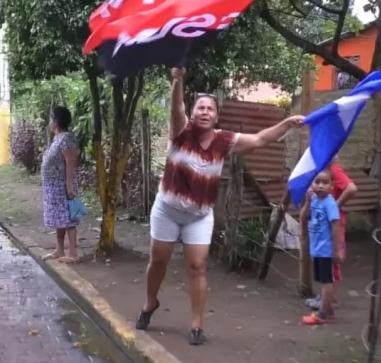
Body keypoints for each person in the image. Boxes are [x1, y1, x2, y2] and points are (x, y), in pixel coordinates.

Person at [135, 67, 303, 345]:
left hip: (199, 215)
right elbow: (176, 108)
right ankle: (150, 303)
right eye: (199, 107)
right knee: (159, 261)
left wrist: (286, 123)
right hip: (167, 209)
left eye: (210, 109)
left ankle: (197, 324)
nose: (204, 112)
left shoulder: (224, 140)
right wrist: (177, 81)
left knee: (198, 266)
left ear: (216, 115)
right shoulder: (181, 132)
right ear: (193, 112)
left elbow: (260, 139)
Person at [305, 158, 357, 311]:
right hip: (321, 230)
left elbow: (352, 188)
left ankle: (330, 302)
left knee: (331, 265)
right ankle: (324, 298)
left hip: (333, 224)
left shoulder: (333, 169)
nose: (320, 185)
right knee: (322, 266)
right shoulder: (320, 168)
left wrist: (334, 206)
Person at [300, 169, 342, 325]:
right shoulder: (315, 200)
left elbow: (336, 226)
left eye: (325, 183)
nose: (320, 186)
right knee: (321, 280)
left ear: (332, 185)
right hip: (316, 247)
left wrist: (336, 250)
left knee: (326, 281)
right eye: (317, 182)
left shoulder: (330, 203)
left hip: (325, 249)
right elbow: (304, 217)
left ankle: (322, 314)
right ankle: (329, 310)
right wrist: (308, 201)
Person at [40, 107, 80, 263]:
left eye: (51, 119)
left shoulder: (67, 138)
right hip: (53, 188)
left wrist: (69, 186)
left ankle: (73, 253)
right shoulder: (58, 138)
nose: (50, 123)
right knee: (59, 219)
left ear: (56, 122)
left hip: (63, 186)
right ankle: (59, 249)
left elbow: (70, 163)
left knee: (69, 218)